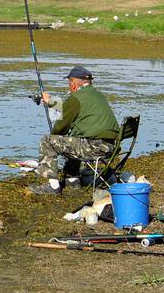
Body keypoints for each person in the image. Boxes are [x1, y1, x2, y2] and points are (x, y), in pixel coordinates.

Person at [29, 65, 120, 195]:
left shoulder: (76, 98)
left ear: (74, 83)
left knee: (48, 141)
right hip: (110, 147)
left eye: (69, 82)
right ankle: (73, 180)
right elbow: (70, 107)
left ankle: (53, 187)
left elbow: (60, 128)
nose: (69, 85)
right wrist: (49, 101)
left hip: (94, 147)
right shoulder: (97, 95)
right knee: (74, 139)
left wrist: (56, 134)